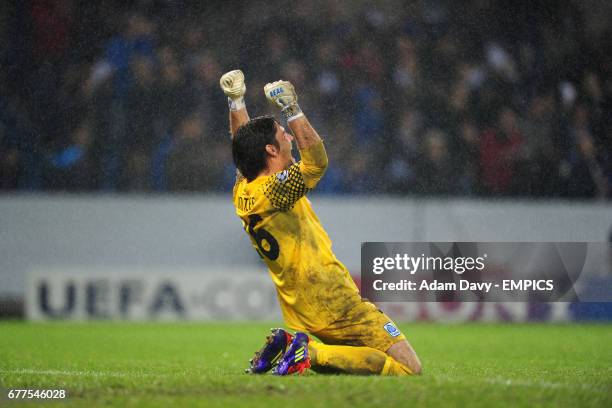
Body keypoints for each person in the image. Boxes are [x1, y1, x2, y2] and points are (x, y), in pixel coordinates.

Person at [220, 70, 421, 376]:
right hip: (332, 298)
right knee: (409, 369)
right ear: (271, 150)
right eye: (283, 134)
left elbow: (242, 147)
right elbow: (316, 163)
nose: (289, 136)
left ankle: (291, 343)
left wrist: (236, 101)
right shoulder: (276, 190)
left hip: (300, 304)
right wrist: (292, 109)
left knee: (352, 362)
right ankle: (306, 351)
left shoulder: (244, 189)